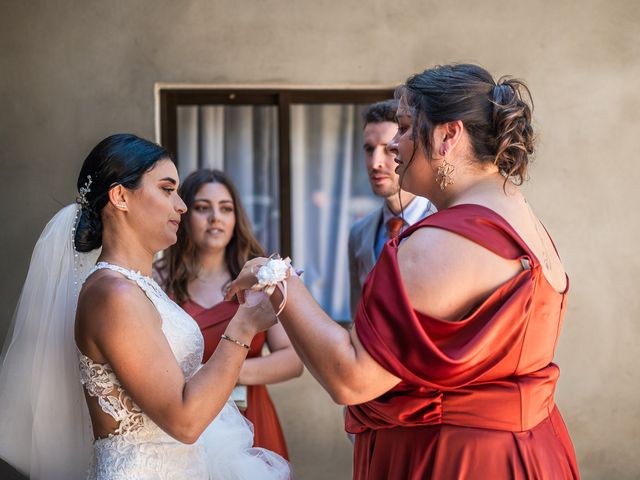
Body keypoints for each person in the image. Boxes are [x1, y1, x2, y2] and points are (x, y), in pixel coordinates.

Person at [227, 64, 580, 479]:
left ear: (449, 135)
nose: (395, 144)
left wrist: (275, 277)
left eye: (408, 127)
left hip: (455, 460)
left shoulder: (441, 241)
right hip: (530, 452)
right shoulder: (529, 224)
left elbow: (351, 378)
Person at [0, 134, 290, 479]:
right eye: (167, 190)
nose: (180, 205)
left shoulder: (142, 288)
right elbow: (184, 420)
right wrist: (244, 324)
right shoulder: (113, 294)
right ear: (120, 196)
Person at [154, 168, 302, 459]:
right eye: (202, 208)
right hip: (186, 422)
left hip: (252, 415)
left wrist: (228, 372)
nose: (215, 218)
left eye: (225, 209)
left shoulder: (259, 277)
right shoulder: (159, 281)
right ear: (184, 215)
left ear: (236, 218)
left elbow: (292, 360)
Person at [349, 100, 436, 318]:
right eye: (369, 149)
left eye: (388, 149)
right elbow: (357, 315)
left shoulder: (443, 223)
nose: (375, 163)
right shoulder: (359, 233)